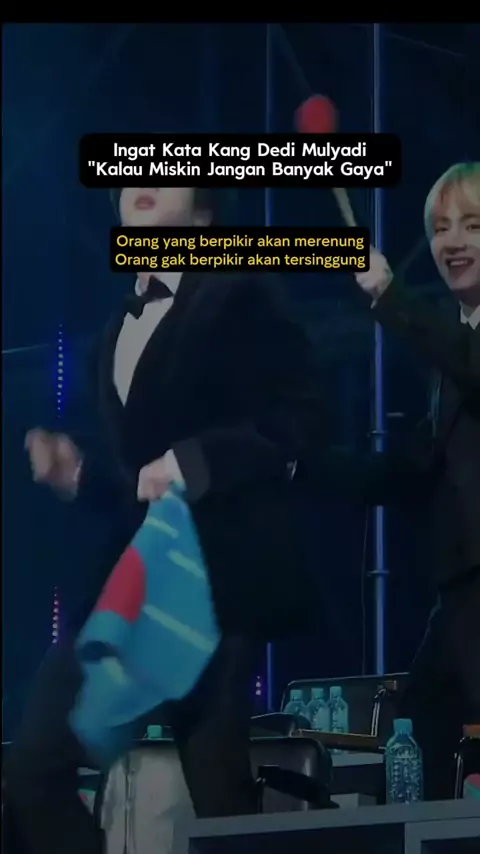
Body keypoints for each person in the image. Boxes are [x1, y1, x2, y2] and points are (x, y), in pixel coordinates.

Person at [4, 186, 330, 854]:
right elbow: (136, 484)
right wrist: (81, 473)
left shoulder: (240, 293)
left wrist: (194, 461)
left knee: (218, 793)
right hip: (134, 581)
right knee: (34, 767)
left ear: (204, 213)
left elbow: (303, 418)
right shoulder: (111, 335)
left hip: (219, 579)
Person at [316, 162, 480, 799]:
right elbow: (413, 468)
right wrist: (305, 465)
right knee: (421, 730)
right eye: (441, 228)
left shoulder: (456, 349)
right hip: (461, 587)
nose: (452, 242)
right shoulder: (454, 345)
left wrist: (392, 296)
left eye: (472, 225)